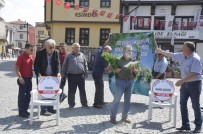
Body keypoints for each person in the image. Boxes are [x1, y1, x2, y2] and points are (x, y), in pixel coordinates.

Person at [156, 41, 202, 133]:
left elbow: (194, 74)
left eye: (183, 47)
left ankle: (198, 126)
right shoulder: (183, 55)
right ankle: (186, 125)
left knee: (195, 106)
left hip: (194, 84)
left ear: (188, 49)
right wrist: (161, 51)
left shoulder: (195, 58)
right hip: (185, 85)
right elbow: (172, 54)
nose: (182, 48)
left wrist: (181, 81)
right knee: (182, 104)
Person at [110, 45, 138, 124]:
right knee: (116, 100)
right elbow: (112, 69)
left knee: (127, 100)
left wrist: (134, 70)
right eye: (128, 50)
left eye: (131, 51)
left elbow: (137, 72)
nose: (130, 52)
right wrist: (116, 70)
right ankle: (113, 116)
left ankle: (124, 116)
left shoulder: (133, 60)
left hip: (130, 81)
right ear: (124, 51)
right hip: (120, 81)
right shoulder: (118, 59)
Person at [34, 39, 61, 116]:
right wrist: (38, 73)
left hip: (52, 76)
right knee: (44, 93)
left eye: (53, 47)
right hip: (43, 76)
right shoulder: (40, 53)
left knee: (52, 92)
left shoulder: (56, 52)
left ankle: (50, 108)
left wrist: (58, 72)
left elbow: (58, 64)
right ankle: (44, 110)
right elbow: (36, 65)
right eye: (50, 47)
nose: (52, 48)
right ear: (46, 46)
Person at [61, 43, 88, 109]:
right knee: (71, 91)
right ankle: (71, 104)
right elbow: (64, 65)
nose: (78, 48)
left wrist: (86, 72)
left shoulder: (82, 55)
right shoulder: (68, 56)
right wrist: (62, 74)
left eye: (78, 47)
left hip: (81, 75)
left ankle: (84, 104)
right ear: (72, 48)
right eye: (76, 47)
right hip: (71, 76)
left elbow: (85, 64)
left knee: (82, 90)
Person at [15, 44, 34, 118]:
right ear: (26, 49)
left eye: (32, 50)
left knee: (28, 95)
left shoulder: (31, 56)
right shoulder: (21, 57)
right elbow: (16, 68)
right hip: (23, 79)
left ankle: (25, 109)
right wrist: (20, 77)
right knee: (22, 96)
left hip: (29, 78)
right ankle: (21, 111)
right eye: (31, 50)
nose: (32, 51)